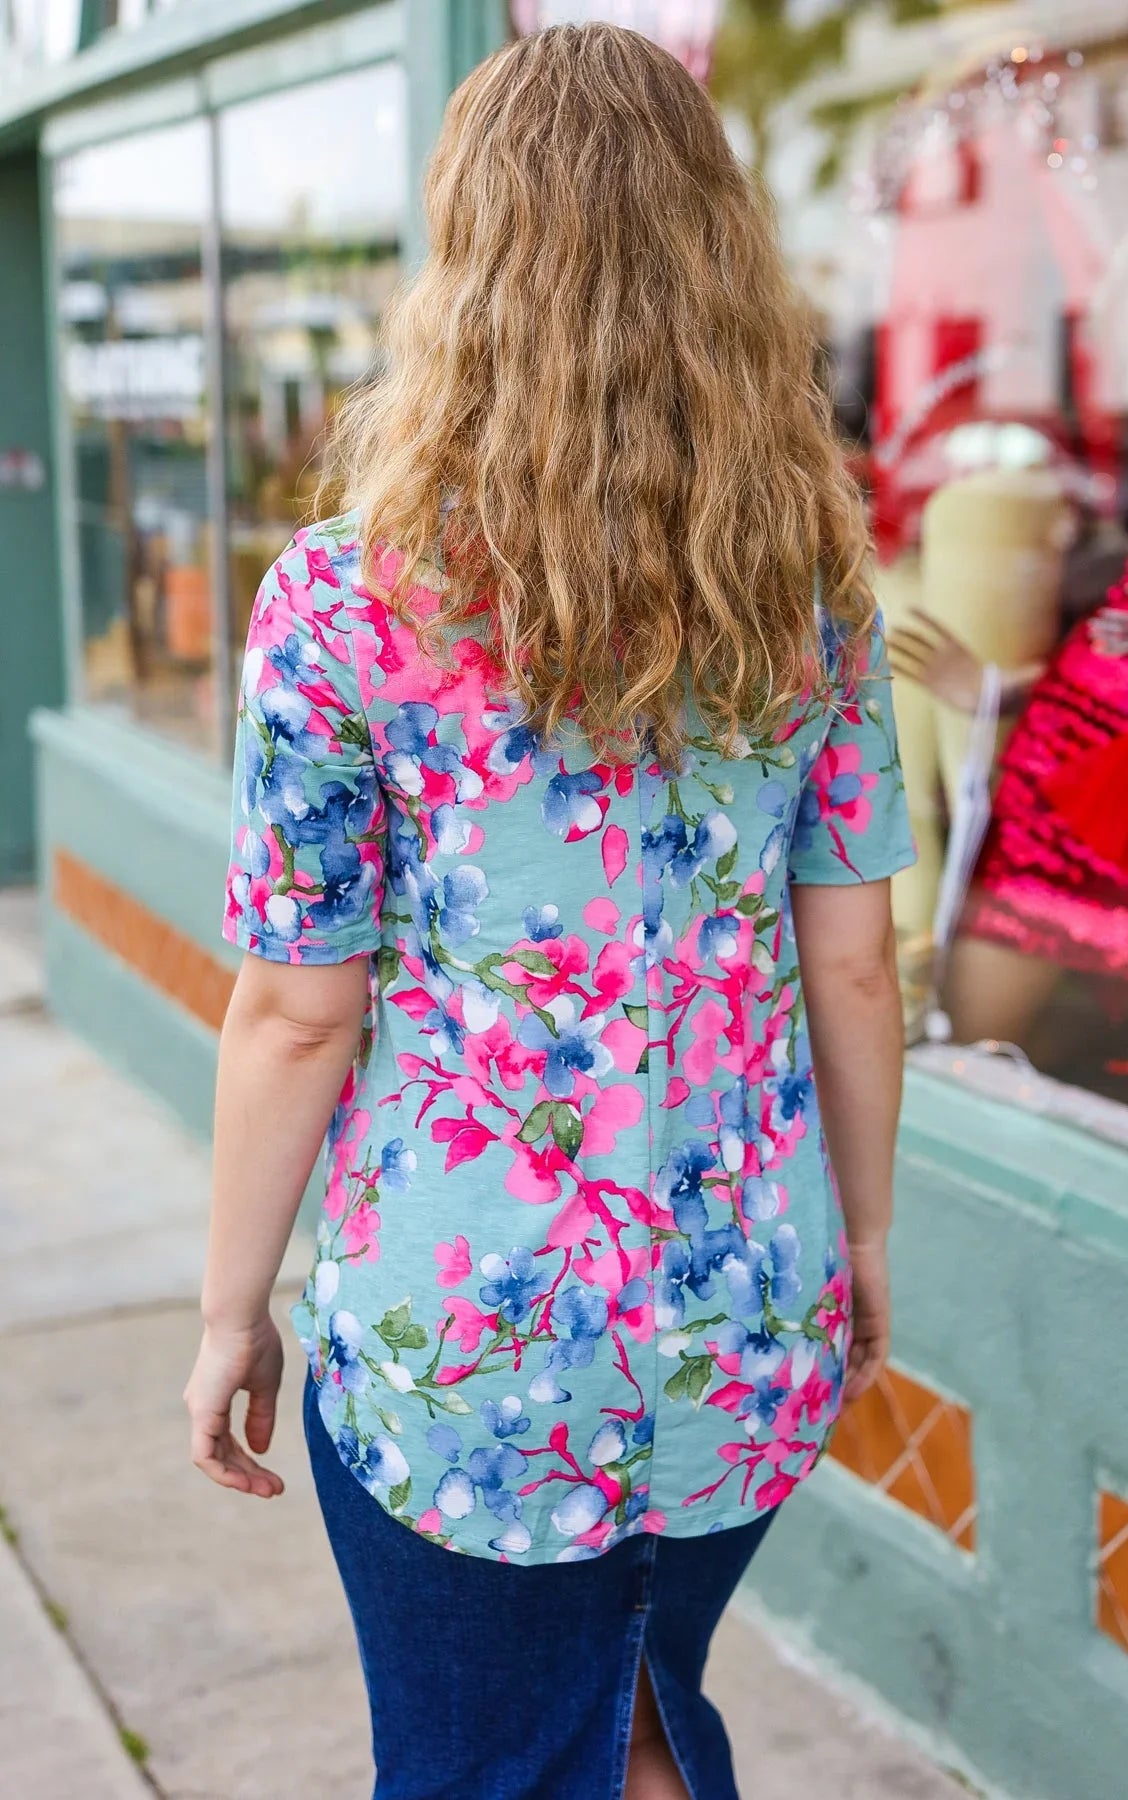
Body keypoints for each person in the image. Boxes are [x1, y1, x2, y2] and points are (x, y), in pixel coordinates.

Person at [184, 24, 913, 1800]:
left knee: (491, 1763)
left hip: (467, 1343)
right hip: (749, 1299)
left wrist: (227, 1314)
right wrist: (866, 1245)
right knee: (641, 1721)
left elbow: (297, 1008)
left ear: (469, 257)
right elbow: (855, 960)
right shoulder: (811, 586)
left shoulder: (343, 602)